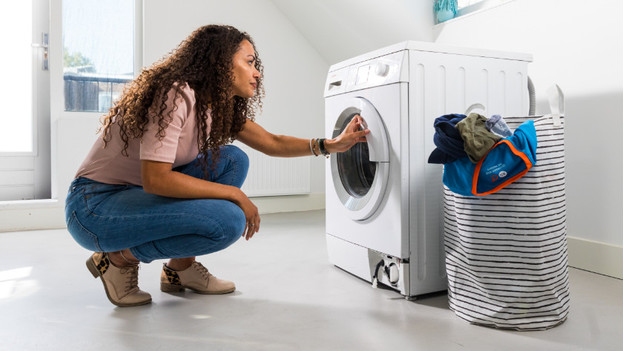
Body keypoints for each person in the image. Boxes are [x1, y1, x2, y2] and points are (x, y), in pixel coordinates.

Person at [65, 24, 369, 307]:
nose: (257, 72)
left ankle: (179, 269)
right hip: (93, 207)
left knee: (232, 161)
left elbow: (272, 142)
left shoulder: (213, 105)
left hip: (134, 198)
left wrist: (330, 145)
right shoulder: (176, 92)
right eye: (249, 62)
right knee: (228, 223)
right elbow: (156, 180)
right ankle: (117, 260)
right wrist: (235, 195)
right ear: (222, 64)